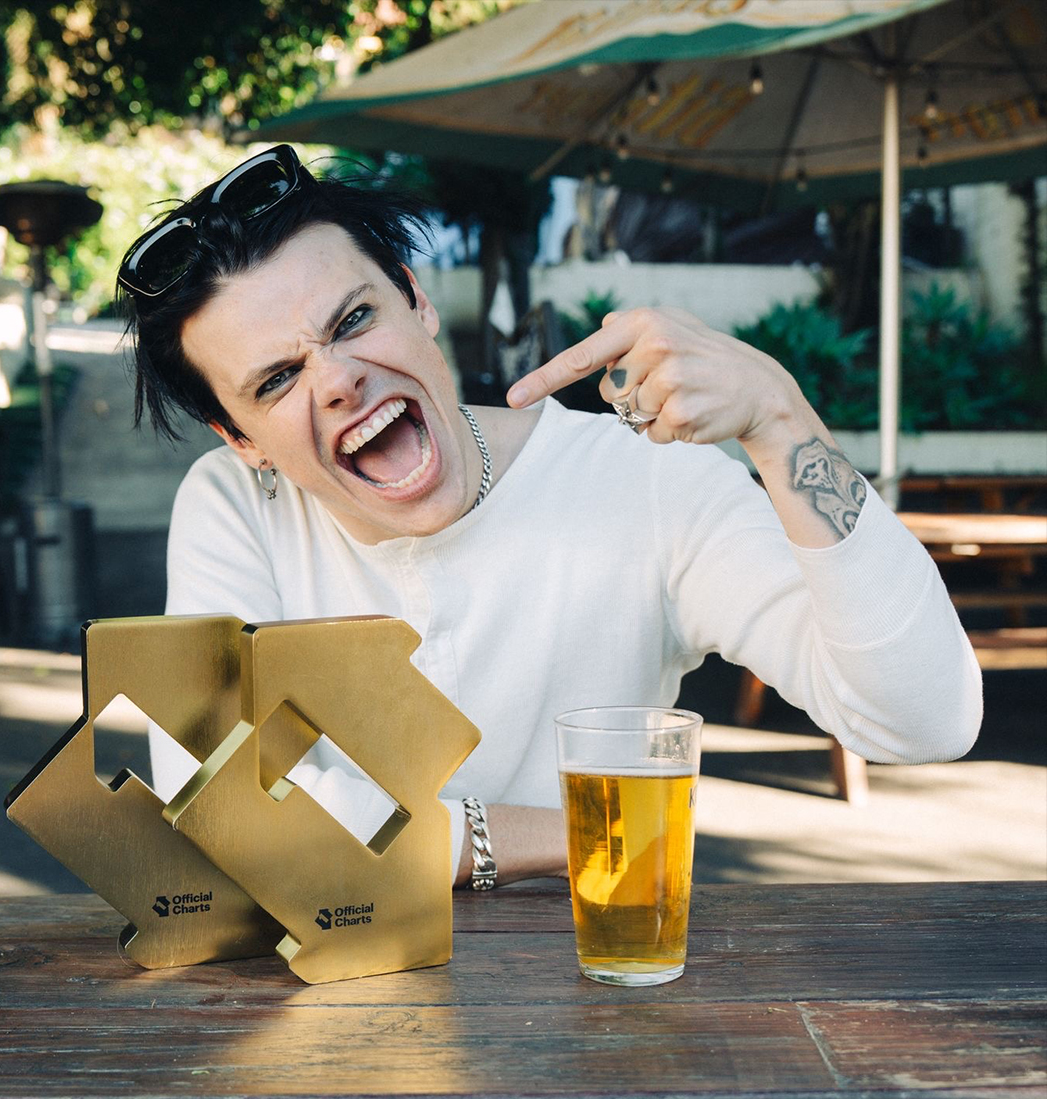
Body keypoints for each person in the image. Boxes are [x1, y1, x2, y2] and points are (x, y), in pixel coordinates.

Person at [121, 144, 982, 890]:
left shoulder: (645, 477)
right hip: (338, 1023)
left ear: (416, 302)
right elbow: (220, 810)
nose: (338, 379)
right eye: (277, 380)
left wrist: (781, 420)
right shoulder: (235, 506)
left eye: (354, 319)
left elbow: (924, 720)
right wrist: (576, 831)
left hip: (598, 989)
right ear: (242, 439)